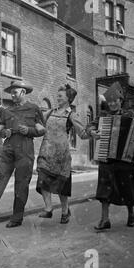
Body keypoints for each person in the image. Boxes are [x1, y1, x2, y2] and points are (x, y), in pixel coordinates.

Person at [0, 81, 46, 228]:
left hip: (25, 147)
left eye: (15, 92)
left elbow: (42, 129)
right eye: (11, 92)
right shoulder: (5, 110)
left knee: (21, 182)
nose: (12, 94)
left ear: (23, 92)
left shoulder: (34, 108)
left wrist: (30, 131)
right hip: (8, 146)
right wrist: (2, 132)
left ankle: (17, 217)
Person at [88, 82, 134, 230]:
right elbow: (89, 126)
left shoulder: (130, 114)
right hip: (107, 158)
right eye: (109, 102)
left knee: (127, 188)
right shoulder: (103, 115)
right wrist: (92, 132)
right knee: (104, 189)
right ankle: (105, 220)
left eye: (115, 101)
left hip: (126, 160)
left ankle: (131, 215)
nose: (112, 104)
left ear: (120, 101)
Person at [36, 85, 89, 224]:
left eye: (61, 95)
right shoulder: (50, 112)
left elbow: (82, 134)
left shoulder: (71, 114)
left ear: (68, 98)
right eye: (57, 95)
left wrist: (92, 134)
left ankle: (65, 211)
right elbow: (38, 121)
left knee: (61, 186)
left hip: (61, 156)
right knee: (42, 178)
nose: (58, 97)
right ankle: (48, 208)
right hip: (46, 153)